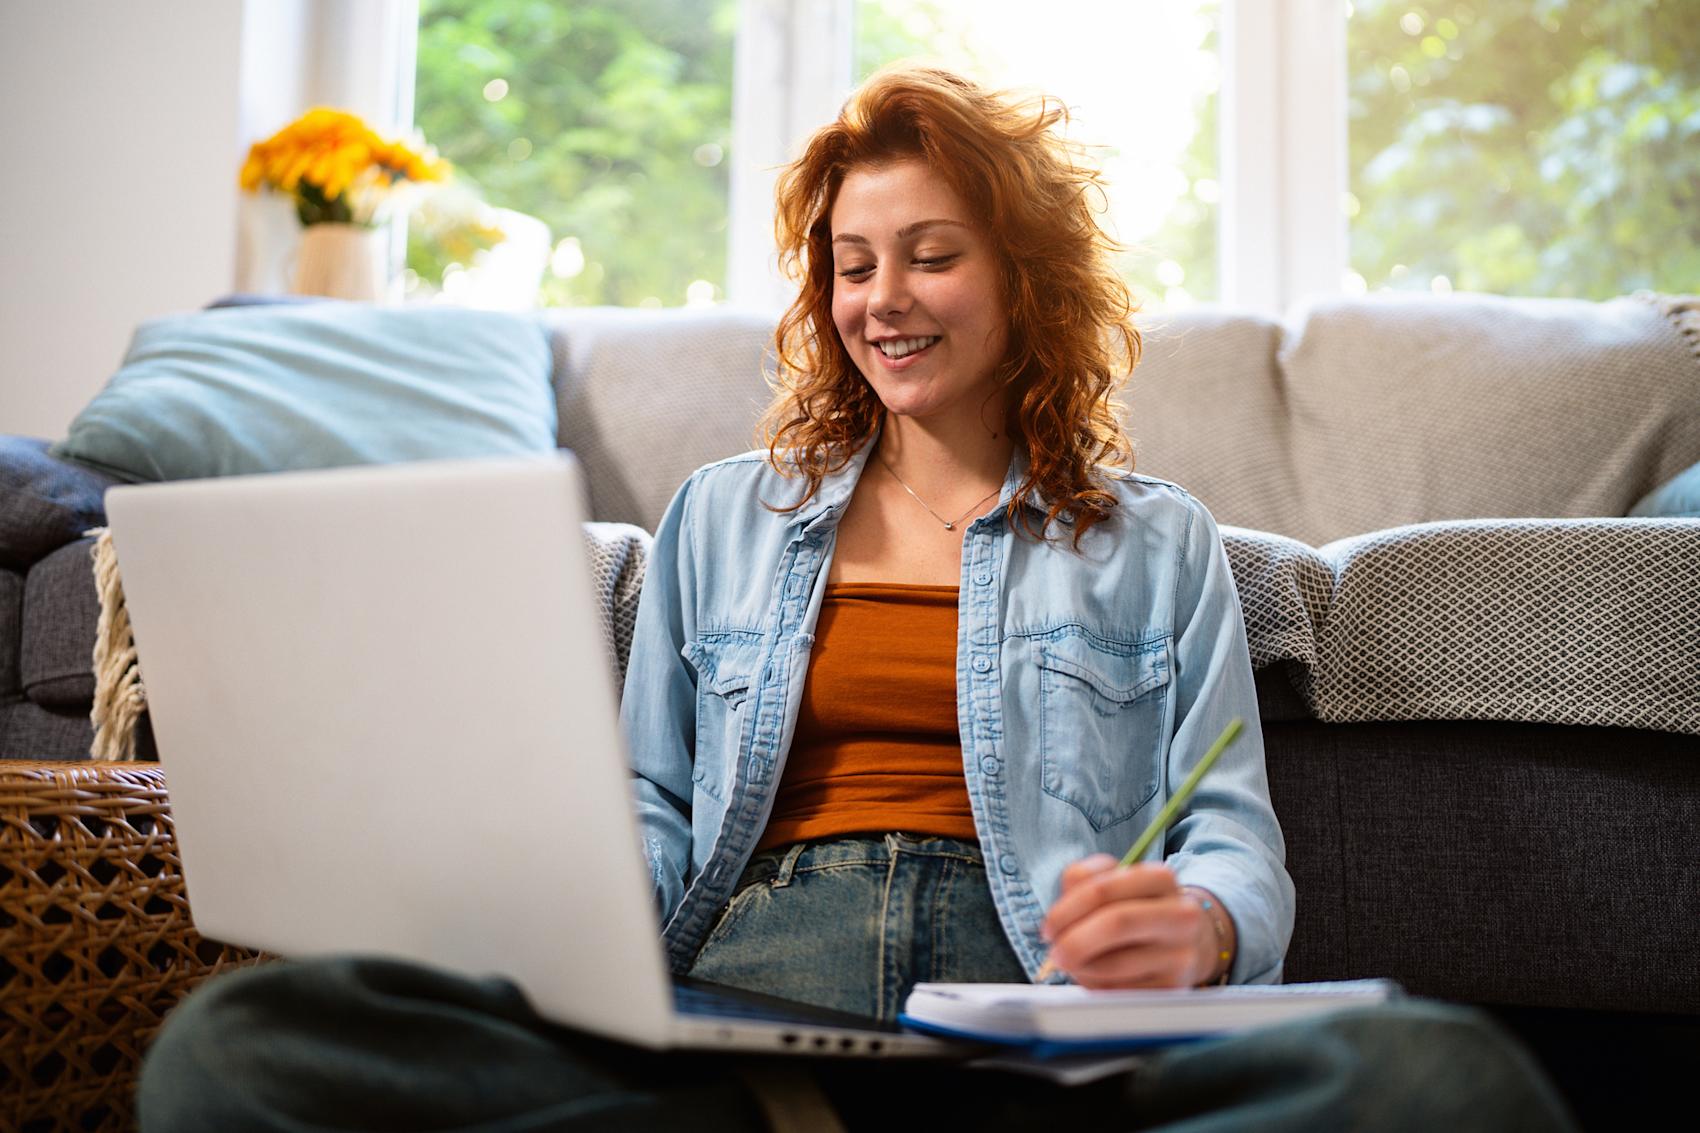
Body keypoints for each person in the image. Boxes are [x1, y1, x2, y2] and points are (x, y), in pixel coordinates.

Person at [137, 66, 1576, 1132]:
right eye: (852, 264)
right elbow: (645, 804)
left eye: (933, 255)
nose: (885, 298)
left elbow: (1232, 839)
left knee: (1449, 1079)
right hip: (737, 1010)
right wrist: (535, 923)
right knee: (240, 1047)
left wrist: (1198, 924)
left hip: (1031, 1027)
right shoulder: (719, 517)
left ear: (1025, 276)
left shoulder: (1157, 541)